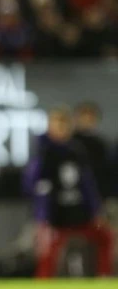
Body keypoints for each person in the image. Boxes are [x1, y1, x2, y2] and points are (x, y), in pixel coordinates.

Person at [24, 107, 113, 278]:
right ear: (50, 127)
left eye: (64, 126)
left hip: (78, 213)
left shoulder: (76, 152)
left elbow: (87, 184)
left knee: (105, 237)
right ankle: (44, 283)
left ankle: (104, 279)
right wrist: (42, 215)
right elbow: (30, 186)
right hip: (54, 217)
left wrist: (95, 210)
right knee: (47, 254)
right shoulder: (43, 154)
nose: (61, 130)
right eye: (57, 125)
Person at [72, 102, 110, 199]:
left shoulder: (100, 144)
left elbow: (105, 171)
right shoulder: (70, 142)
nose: (87, 121)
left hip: (97, 191)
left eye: (91, 118)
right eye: (84, 117)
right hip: (74, 193)